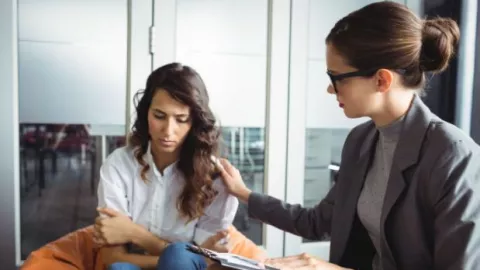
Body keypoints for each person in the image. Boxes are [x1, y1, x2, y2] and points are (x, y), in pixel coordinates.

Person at [215, 2, 480, 270]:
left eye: (337, 77)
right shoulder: (360, 141)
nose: (331, 89)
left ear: (382, 81)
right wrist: (244, 193)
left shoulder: (453, 156)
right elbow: (318, 221)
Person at [93, 63, 239, 270]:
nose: (168, 131)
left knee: (179, 257)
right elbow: (113, 257)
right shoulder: (119, 164)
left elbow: (209, 262)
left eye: (181, 119)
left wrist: (136, 234)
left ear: (195, 123)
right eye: (159, 116)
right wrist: (177, 260)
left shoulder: (215, 177)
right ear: (146, 113)